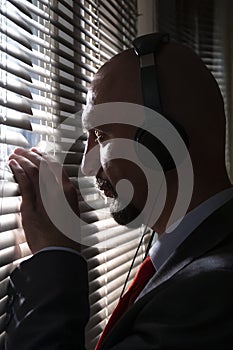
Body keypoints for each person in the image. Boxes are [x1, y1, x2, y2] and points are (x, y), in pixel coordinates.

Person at [5, 34, 233, 350]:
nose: (86, 166)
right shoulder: (188, 253)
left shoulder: (211, 291)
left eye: (101, 134)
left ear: (162, 143)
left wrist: (56, 257)